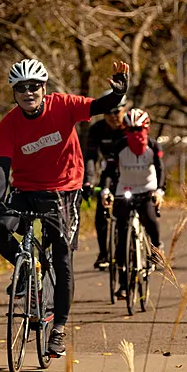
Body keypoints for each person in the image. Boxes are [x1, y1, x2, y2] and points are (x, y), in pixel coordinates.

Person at [0, 58, 129, 358]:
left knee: (62, 256)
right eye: (21, 88)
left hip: (64, 189)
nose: (29, 93)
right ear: (14, 93)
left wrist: (117, 94)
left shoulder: (63, 105)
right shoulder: (8, 124)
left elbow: (99, 106)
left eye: (34, 87)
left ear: (44, 88)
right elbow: (1, 168)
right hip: (25, 189)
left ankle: (58, 330)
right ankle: (27, 269)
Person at [102, 108, 164, 299]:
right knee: (122, 233)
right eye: (130, 129)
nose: (135, 134)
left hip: (147, 188)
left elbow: (162, 171)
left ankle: (156, 248)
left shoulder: (153, 146)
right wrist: (106, 191)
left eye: (139, 129)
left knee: (150, 218)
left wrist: (160, 191)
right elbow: (109, 172)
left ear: (146, 129)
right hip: (125, 189)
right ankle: (122, 284)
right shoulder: (119, 145)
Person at [82, 103, 128, 270]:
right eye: (108, 112)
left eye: (116, 111)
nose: (113, 116)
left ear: (124, 109)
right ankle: (104, 253)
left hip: (131, 174)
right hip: (108, 175)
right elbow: (91, 157)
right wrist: (88, 181)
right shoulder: (98, 129)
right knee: (102, 212)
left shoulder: (131, 123)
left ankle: (149, 246)